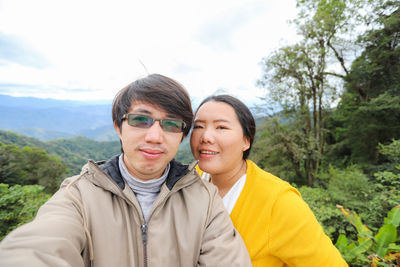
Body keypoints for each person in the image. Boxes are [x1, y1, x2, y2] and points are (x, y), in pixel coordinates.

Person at [0, 75, 251, 267]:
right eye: (140, 120)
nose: (154, 136)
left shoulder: (204, 200)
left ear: (182, 135)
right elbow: (39, 248)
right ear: (118, 127)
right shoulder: (79, 196)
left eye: (171, 124)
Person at [190, 94, 348, 267]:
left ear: (245, 141)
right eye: (198, 126)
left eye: (221, 127)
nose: (205, 136)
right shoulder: (188, 181)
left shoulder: (279, 203)